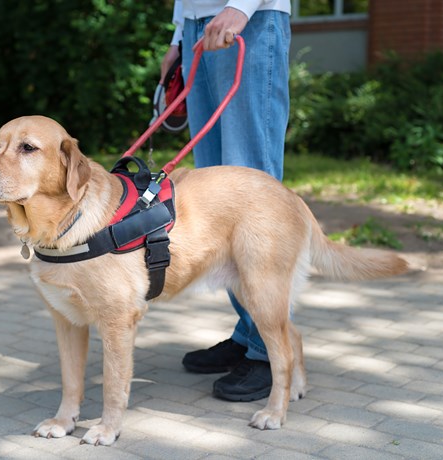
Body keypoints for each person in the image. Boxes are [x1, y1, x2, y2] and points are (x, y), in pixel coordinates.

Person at [160, 0, 291, 402]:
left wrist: (241, 6)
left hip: (249, 20)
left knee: (252, 190)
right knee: (216, 197)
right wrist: (179, 34)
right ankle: (247, 332)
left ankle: (269, 352)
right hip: (200, 27)